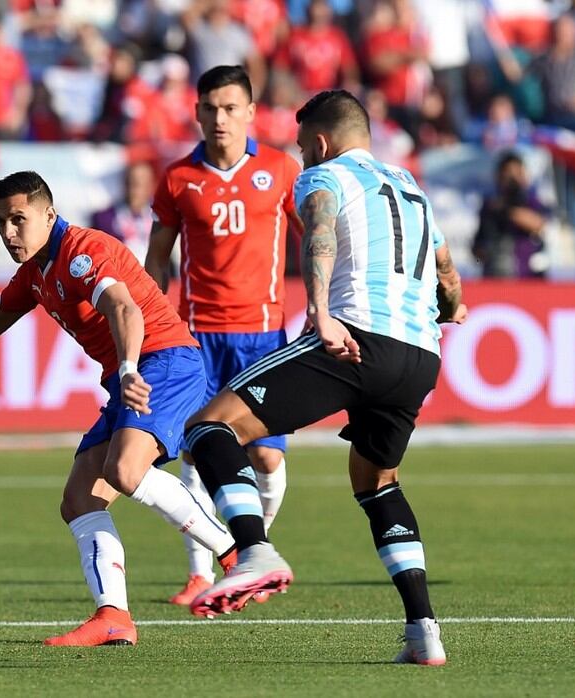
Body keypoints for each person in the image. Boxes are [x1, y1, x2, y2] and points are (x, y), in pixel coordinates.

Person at [0, 170, 237, 647]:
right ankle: (113, 617)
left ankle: (234, 550)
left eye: (19, 219)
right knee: (79, 499)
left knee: (125, 470)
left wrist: (125, 369)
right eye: (1, 222)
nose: (8, 232)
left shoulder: (82, 253)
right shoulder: (36, 271)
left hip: (163, 363)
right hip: (130, 374)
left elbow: (124, 309)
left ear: (49, 215)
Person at [182, 90, 467, 667]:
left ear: (319, 141)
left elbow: (319, 233)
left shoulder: (323, 176)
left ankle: (255, 550)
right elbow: (445, 268)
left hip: (355, 337)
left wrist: (318, 310)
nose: (301, 156)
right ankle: (423, 631)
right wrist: (452, 305)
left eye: (302, 146)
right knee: (376, 480)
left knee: (209, 427)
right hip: (420, 357)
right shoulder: (411, 184)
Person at [145, 65, 301, 605]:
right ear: (196, 112)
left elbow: (317, 237)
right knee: (194, 454)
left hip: (262, 337)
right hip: (198, 337)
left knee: (267, 460)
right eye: (210, 108)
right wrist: (153, 325)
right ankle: (201, 573)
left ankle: (255, 548)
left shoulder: (282, 170)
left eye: (231, 108)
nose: (220, 118)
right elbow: (157, 261)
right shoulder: (177, 179)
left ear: (251, 112)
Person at [472, 151, 550, 279]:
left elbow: (537, 224)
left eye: (517, 174)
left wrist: (506, 210)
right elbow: (478, 248)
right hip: (496, 275)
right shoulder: (489, 207)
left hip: (528, 277)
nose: (513, 180)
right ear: (499, 177)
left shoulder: (532, 201)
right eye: (508, 175)